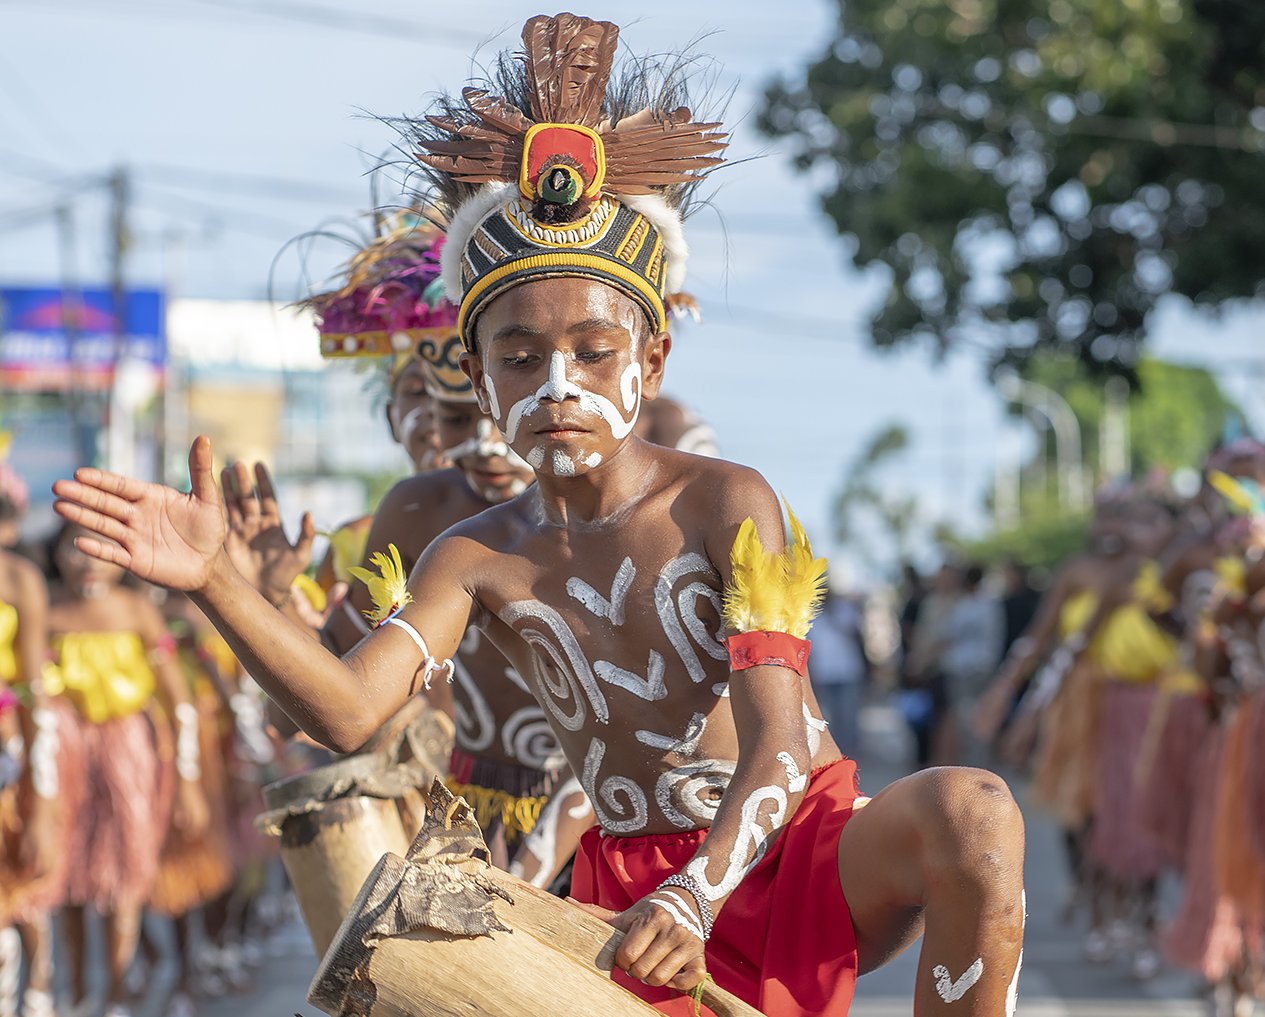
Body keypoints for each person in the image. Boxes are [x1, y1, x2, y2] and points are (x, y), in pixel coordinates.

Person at [52, 15, 1025, 1015]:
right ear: (476, 375)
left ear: (650, 363)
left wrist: (694, 898)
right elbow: (344, 710)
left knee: (973, 813)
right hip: (623, 896)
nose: (557, 385)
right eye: (519, 358)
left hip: (783, 852)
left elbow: (778, 744)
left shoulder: (725, 500)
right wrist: (216, 582)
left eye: (594, 353)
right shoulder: (470, 554)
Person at [42, 523, 209, 1017]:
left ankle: (115, 995)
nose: (88, 562)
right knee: (66, 875)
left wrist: (188, 783)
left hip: (128, 757)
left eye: (101, 551)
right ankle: (74, 993)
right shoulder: (47, 613)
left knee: (123, 879)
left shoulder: (139, 613)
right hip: (64, 756)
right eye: (72, 548)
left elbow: (179, 705)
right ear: (56, 554)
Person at [0, 458, 60, 1017]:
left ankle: (35, 991)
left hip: (6, 760)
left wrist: (39, 805)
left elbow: (32, 692)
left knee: (13, 897)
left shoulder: (18, 579)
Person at [807, 587, 867, 758]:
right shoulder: (810, 614)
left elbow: (856, 635)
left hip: (847, 671)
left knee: (848, 713)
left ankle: (851, 750)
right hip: (824, 673)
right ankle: (835, 752)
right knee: (828, 715)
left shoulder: (844, 610)